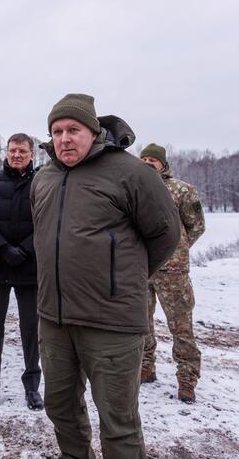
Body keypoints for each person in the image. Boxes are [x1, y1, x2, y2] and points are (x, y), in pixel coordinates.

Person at [32, 93, 180, 458]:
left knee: (118, 423)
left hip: (112, 322)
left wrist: (125, 279)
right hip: (55, 319)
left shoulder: (131, 173)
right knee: (61, 410)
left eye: (73, 129)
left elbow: (166, 234)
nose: (64, 138)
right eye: (56, 131)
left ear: (93, 131)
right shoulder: (44, 177)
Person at [0, 133, 42, 410]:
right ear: (6, 151)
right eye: (13, 150)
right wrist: (2, 248)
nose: (16, 155)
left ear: (31, 154)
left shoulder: (41, 183)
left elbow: (45, 221)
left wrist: (25, 249)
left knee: (31, 328)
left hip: (30, 265)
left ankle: (32, 386)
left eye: (22, 151)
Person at [139, 143, 205, 403]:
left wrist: (177, 249)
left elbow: (196, 226)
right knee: (141, 323)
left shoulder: (181, 190)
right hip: (141, 268)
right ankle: (146, 366)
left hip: (172, 271)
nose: (147, 162)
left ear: (163, 164)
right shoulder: (134, 188)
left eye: (152, 159)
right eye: (143, 158)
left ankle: (187, 378)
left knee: (181, 325)